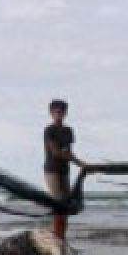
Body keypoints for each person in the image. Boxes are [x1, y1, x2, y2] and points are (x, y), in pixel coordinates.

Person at [43, 99, 87, 239]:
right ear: (51, 113)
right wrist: (77, 161)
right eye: (56, 112)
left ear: (65, 113)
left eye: (61, 112)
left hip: (64, 170)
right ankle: (56, 236)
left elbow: (69, 152)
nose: (59, 115)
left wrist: (80, 163)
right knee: (58, 204)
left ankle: (62, 236)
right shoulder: (49, 130)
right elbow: (55, 152)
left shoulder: (68, 130)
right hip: (52, 171)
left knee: (66, 205)